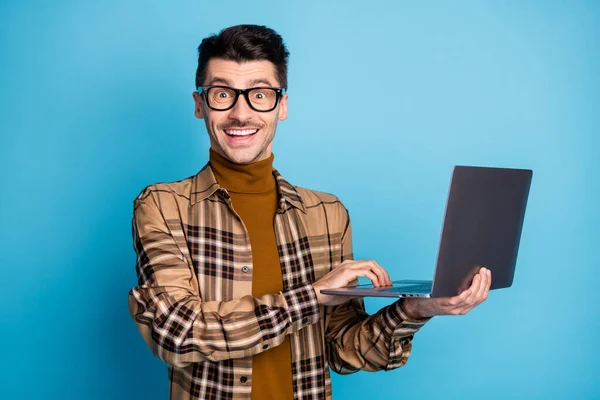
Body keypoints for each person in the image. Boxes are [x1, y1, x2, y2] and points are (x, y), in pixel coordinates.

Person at [127, 24, 492, 400]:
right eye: (222, 94)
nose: (240, 112)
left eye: (259, 94)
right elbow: (178, 335)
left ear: (281, 105)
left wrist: (416, 309)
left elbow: (343, 350)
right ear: (200, 103)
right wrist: (312, 295)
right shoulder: (163, 206)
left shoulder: (327, 214)